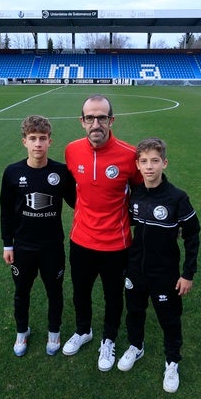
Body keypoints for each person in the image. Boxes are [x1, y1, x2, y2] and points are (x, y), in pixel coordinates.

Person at [63, 94, 143, 372]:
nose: (95, 123)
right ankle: (84, 331)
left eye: (101, 117)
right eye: (89, 117)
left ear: (111, 120)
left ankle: (108, 339)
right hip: (81, 240)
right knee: (80, 292)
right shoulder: (71, 150)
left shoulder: (129, 155)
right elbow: (76, 189)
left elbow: (142, 194)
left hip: (116, 244)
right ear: (81, 121)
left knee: (112, 296)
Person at [116, 137, 201, 393]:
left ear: (164, 163)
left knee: (169, 319)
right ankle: (136, 346)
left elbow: (192, 235)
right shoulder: (135, 194)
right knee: (134, 311)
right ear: (138, 165)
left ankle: (172, 361)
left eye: (155, 161)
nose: (149, 166)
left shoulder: (177, 198)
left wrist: (188, 274)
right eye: (143, 161)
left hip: (164, 274)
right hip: (135, 270)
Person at [0, 115, 75, 357]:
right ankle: (22, 331)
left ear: (50, 141)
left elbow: (78, 203)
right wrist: (7, 245)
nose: (38, 144)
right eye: (32, 139)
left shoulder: (61, 173)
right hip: (23, 248)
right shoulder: (12, 172)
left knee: (55, 291)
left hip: (52, 247)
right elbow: (6, 211)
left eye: (42, 138)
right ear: (24, 142)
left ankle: (55, 331)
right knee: (21, 292)